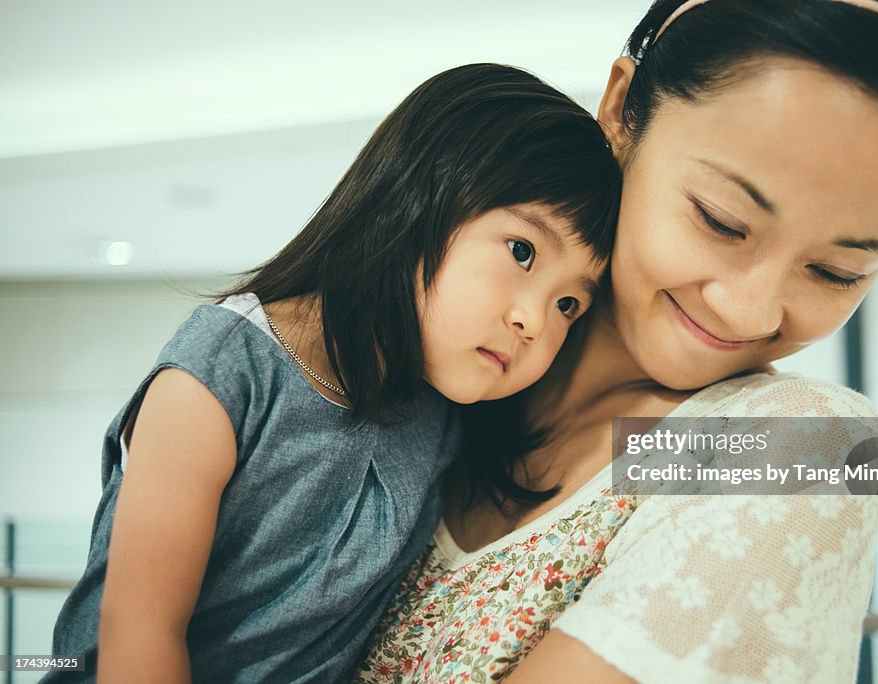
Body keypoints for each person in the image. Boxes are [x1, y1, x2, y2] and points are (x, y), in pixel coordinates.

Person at [357, 0, 878, 681]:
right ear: (622, 110)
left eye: (836, 272)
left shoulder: (802, 450)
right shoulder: (434, 371)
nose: (746, 313)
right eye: (721, 220)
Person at [45, 63, 621, 683]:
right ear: (419, 194)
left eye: (570, 304)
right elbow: (140, 639)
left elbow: (627, 457)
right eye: (522, 251)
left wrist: (741, 447)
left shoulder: (450, 408)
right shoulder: (221, 375)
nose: (535, 320)